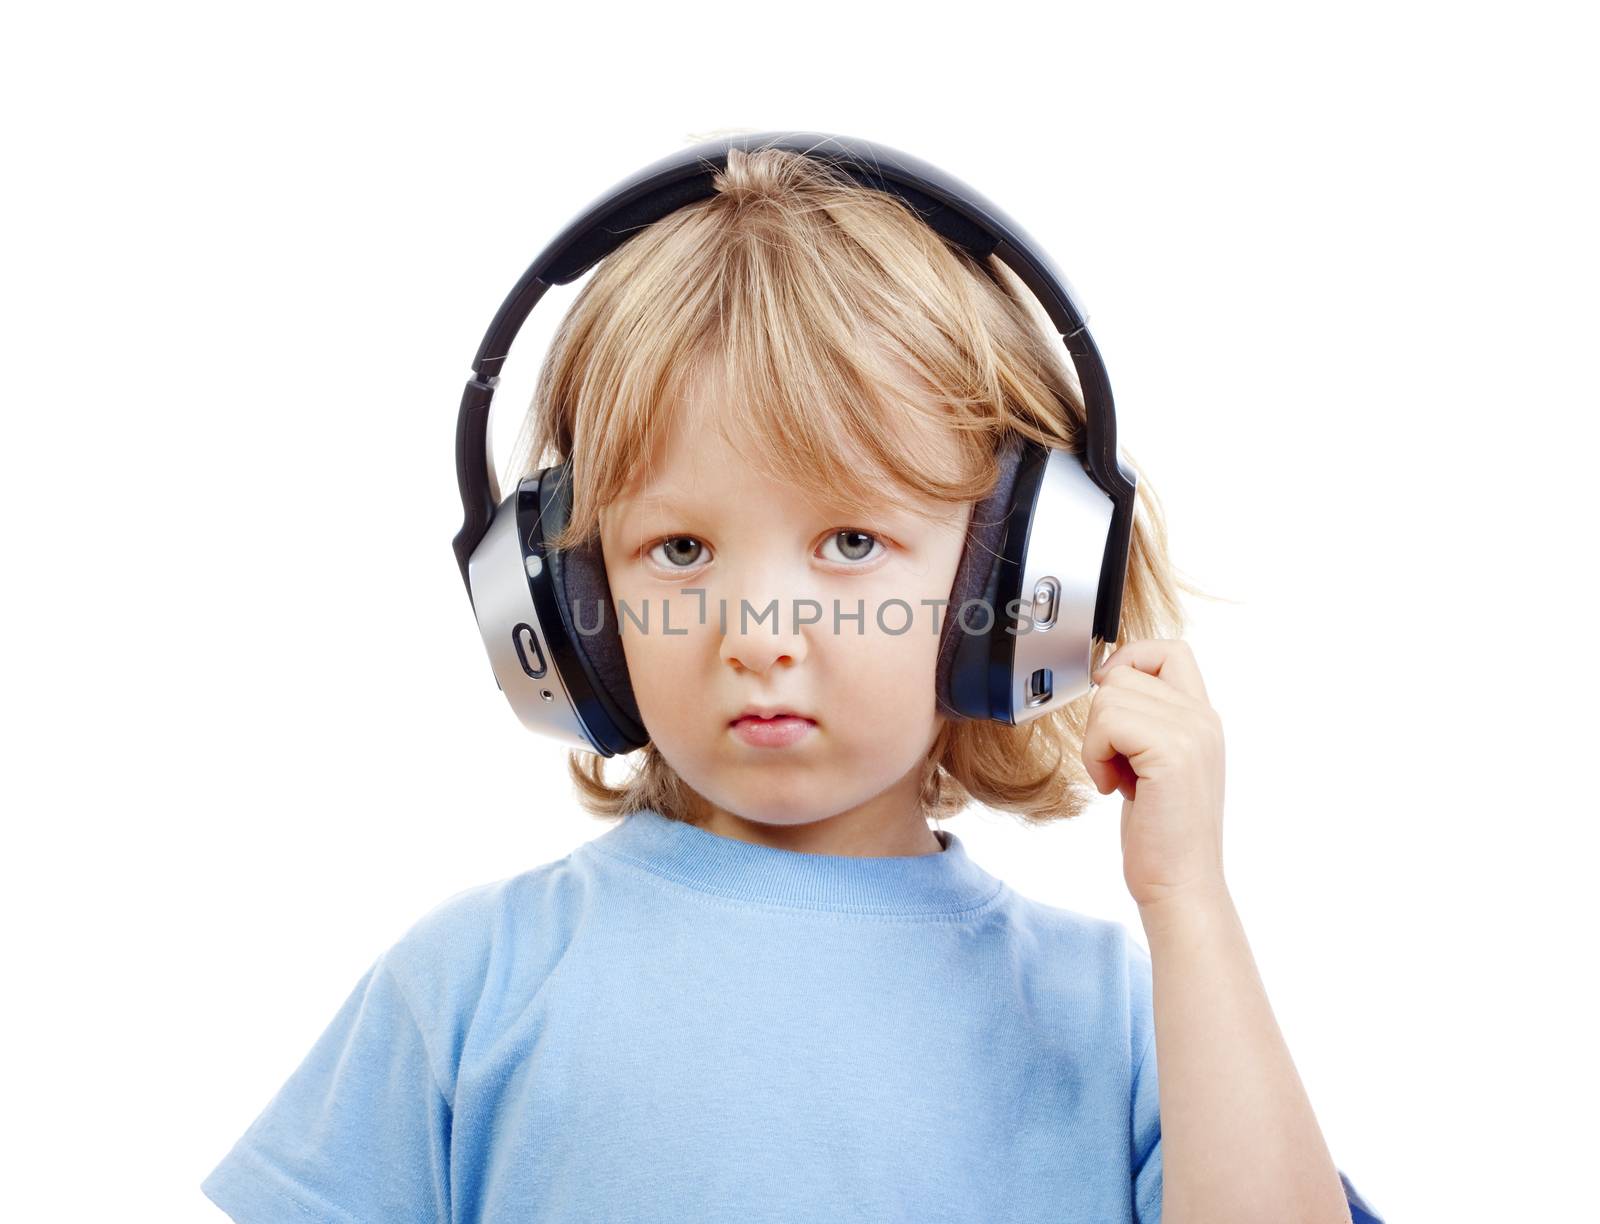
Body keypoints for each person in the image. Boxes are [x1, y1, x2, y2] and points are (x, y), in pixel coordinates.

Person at [201, 144, 1384, 1223]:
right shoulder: (469, 981)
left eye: (851, 544)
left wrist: (1188, 902)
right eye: (679, 550)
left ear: (1021, 582)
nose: (756, 632)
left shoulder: (1118, 1015)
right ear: (571, 609)